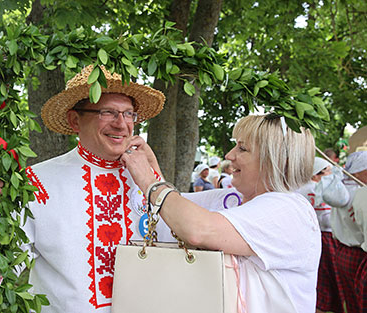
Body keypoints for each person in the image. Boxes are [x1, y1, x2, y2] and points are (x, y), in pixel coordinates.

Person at [0, 65, 174, 313]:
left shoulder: (147, 178)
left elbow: (181, 243)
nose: (122, 124)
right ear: (74, 120)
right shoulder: (35, 182)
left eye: (128, 114)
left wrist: (156, 180)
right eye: (108, 112)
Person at [120, 114, 321, 313]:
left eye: (242, 148)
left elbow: (196, 229)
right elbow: (173, 211)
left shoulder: (289, 210)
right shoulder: (232, 199)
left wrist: (148, 180)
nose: (229, 155)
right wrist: (152, 168)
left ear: (274, 159)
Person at [317, 151, 367, 313]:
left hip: (342, 250)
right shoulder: (360, 192)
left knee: (351, 298)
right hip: (359, 254)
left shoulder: (339, 188)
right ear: (360, 171)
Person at [296, 157, 343, 313]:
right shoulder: (322, 190)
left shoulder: (298, 190)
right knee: (329, 279)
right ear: (317, 174)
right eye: (328, 171)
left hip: (306, 239)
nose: (330, 174)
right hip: (326, 239)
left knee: (317, 279)